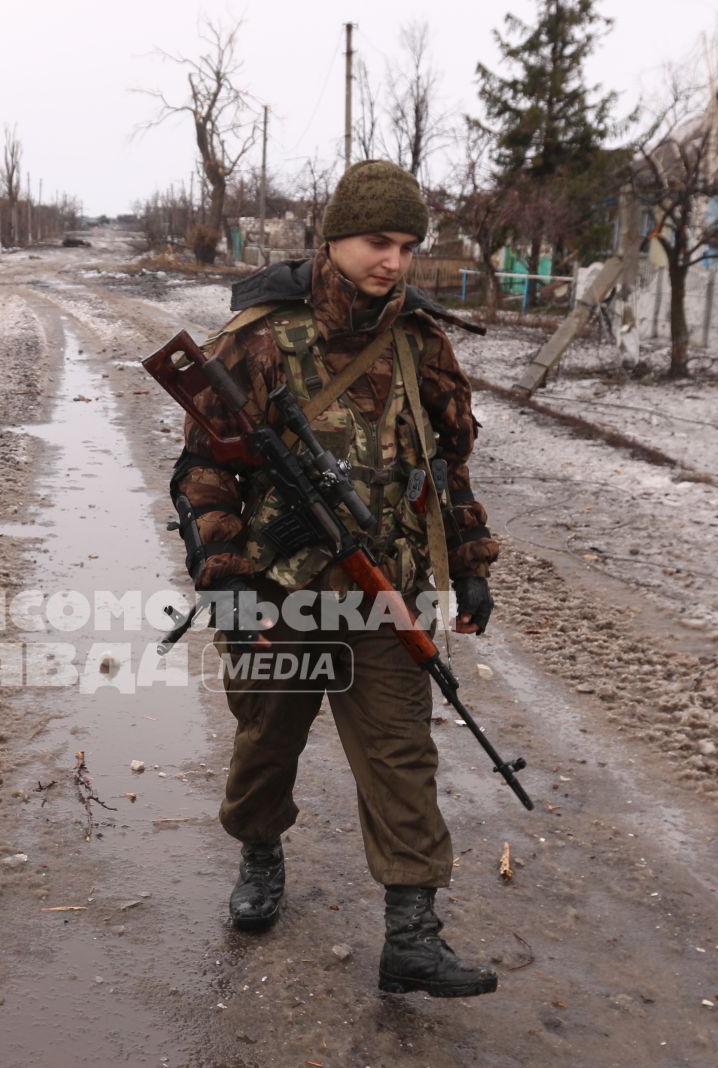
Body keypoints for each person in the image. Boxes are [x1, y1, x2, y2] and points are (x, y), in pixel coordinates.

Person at [168, 159, 502, 998]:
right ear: (334, 238)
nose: (392, 261)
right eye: (375, 242)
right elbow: (204, 473)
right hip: (282, 591)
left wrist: (469, 564)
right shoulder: (258, 337)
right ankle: (260, 852)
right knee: (266, 742)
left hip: (386, 590)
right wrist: (227, 578)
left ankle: (412, 935)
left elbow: (448, 466)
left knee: (401, 754)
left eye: (406, 245)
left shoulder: (422, 342)